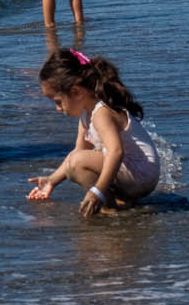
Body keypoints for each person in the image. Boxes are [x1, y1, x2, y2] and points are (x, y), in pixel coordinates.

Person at [26, 48, 159, 217]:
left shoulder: (101, 113)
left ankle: (109, 208)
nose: (58, 109)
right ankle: (120, 201)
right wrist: (52, 180)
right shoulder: (86, 114)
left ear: (76, 92)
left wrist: (98, 190)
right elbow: (78, 151)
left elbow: (116, 151)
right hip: (134, 174)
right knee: (77, 159)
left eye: (58, 102)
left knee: (78, 164)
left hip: (140, 174)